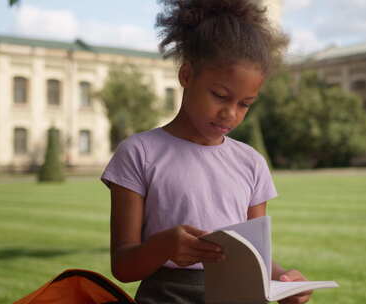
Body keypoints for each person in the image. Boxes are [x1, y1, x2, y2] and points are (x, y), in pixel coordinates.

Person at [100, 0, 311, 303]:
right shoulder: (139, 154)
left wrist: (286, 281)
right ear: (186, 76)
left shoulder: (251, 163)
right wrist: (164, 247)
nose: (231, 114)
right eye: (220, 95)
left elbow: (256, 260)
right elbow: (122, 265)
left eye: (245, 104)